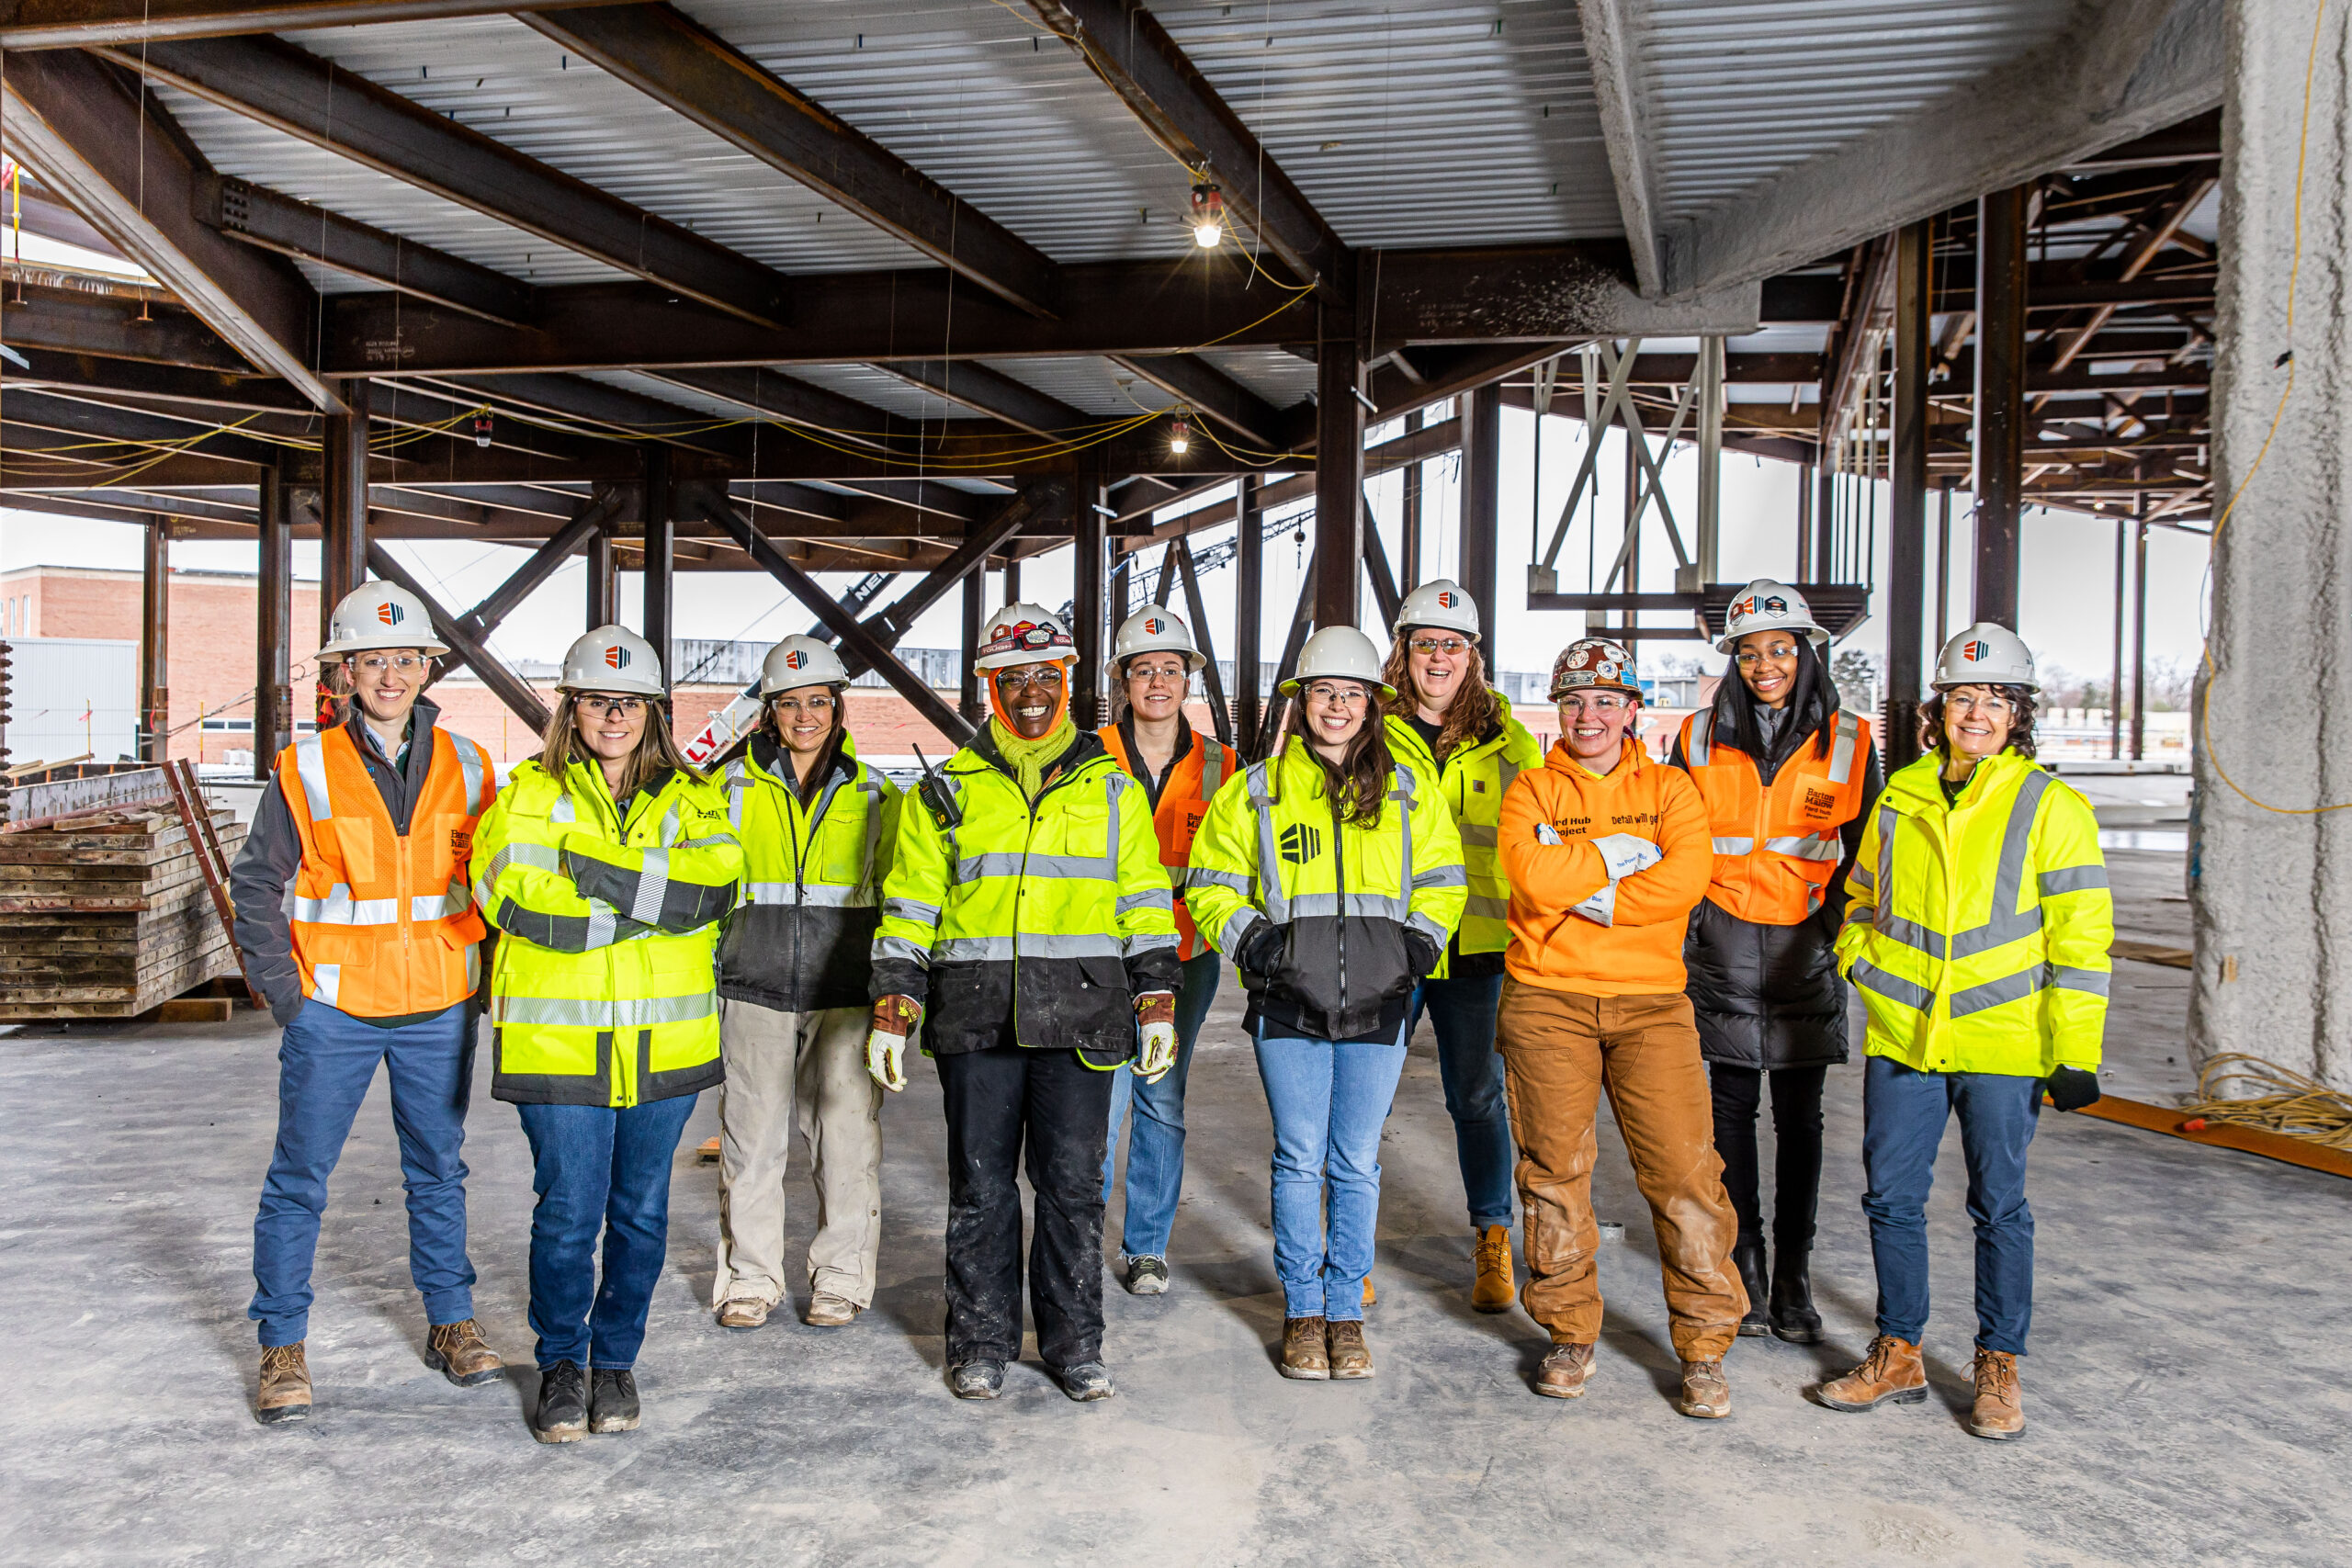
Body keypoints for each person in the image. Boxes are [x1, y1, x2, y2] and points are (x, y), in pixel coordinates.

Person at [865, 604, 1181, 1403]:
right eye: (1015, 678)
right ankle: (979, 1342)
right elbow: (909, 906)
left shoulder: (1112, 787)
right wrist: (894, 1006)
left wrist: (1156, 1001)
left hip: (1081, 1020)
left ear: (1070, 681)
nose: (1032, 692)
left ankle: (1075, 1345)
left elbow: (1144, 902)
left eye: (1047, 675)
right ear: (989, 686)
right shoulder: (948, 791)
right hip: (978, 1019)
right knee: (980, 1187)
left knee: (1073, 1188)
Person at [1815, 623, 2110, 1442]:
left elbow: (2082, 944)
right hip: (1904, 1039)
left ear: (2019, 714)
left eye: (1995, 699)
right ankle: (1900, 1348)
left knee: (1999, 1208)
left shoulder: (2050, 806)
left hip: (2004, 1045)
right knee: (1890, 1201)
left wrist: (2074, 1052)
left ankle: (1998, 1361)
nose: (1976, 712)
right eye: (1962, 697)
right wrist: (1861, 963)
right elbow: (1861, 899)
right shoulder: (1902, 795)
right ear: (1936, 709)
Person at [231, 581, 502, 1426]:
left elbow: (494, 882)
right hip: (335, 1011)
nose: (390, 674)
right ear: (344, 672)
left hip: (439, 1004)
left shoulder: (470, 763)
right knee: (299, 1180)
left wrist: (486, 984)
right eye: (373, 660)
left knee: (439, 1172)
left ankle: (451, 1324)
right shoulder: (305, 766)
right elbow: (256, 882)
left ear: (428, 667)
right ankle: (282, 1345)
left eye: (406, 658)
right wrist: (287, 995)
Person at [472, 626, 743, 1443]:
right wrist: (642, 905)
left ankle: (616, 1361)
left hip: (665, 1050)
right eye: (597, 700)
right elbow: (509, 896)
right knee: (566, 1215)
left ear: (654, 712)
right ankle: (562, 1362)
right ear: (572, 707)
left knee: (639, 1215)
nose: (614, 716)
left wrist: (585, 870)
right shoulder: (525, 792)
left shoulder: (696, 797)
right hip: (558, 1049)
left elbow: (715, 890)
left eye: (630, 703)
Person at [1188, 626, 1465, 1382]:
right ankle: (1303, 1309)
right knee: (1299, 1157)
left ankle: (1347, 1310)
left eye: (1351, 694)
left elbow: (1444, 880)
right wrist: (1255, 946)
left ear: (1373, 705)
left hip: (1382, 1002)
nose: (1337, 706)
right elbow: (1209, 881)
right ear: (1301, 701)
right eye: (1323, 692)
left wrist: (1414, 952)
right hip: (1287, 1001)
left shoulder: (1410, 790)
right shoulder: (1257, 789)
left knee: (1356, 1161)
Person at [1494, 637, 1747, 1417]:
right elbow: (1531, 881)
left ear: (1634, 708)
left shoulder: (1673, 790)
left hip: (1652, 1004)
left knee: (1685, 1174)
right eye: (1573, 699)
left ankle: (1704, 1345)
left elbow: (1681, 885)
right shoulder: (1530, 789)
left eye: (1606, 700)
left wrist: (1583, 884)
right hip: (1547, 999)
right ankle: (1568, 1330)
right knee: (1554, 1170)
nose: (1589, 714)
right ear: (1557, 710)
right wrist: (1618, 857)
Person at [1670, 580, 1883, 1343]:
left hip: (1805, 950)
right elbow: (1677, 842)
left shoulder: (1854, 741)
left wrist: (1828, 928)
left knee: (1800, 1123)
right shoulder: (1695, 736)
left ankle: (1793, 1274)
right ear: (1733, 659)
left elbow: (1866, 857)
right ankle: (1747, 1264)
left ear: (1806, 652)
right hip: (1721, 947)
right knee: (1728, 1121)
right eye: (1750, 652)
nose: (1765, 665)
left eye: (1780, 649)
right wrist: (1696, 925)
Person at [710, 635, 901, 1331]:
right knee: (751, 1141)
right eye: (789, 704)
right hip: (753, 984)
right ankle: (749, 1280)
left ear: (838, 707)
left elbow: (899, 895)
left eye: (818, 701)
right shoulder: (728, 789)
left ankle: (841, 1276)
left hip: (846, 992)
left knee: (848, 1141)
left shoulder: (877, 792)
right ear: (768, 713)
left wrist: (892, 991)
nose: (805, 716)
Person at [1379, 579, 1543, 1312]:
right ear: (1402, 653)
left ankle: (1492, 1237)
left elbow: (1541, 848)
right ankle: (1348, 1244)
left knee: (1476, 1097)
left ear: (1473, 655)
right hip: (1390, 944)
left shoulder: (1513, 744)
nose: (1438, 657)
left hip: (1478, 948)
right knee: (1367, 1099)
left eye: (1452, 645)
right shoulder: (1369, 731)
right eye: (1424, 645)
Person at [1095, 606, 1237, 1297]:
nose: (1158, 681)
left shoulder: (1224, 766)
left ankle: (1146, 1247)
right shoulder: (1086, 755)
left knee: (1161, 1094)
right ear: (1122, 679)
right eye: (1144, 668)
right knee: (1098, 1095)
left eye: (1171, 669)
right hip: (1098, 951)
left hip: (1185, 954)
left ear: (1189, 681)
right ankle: (1076, 1229)